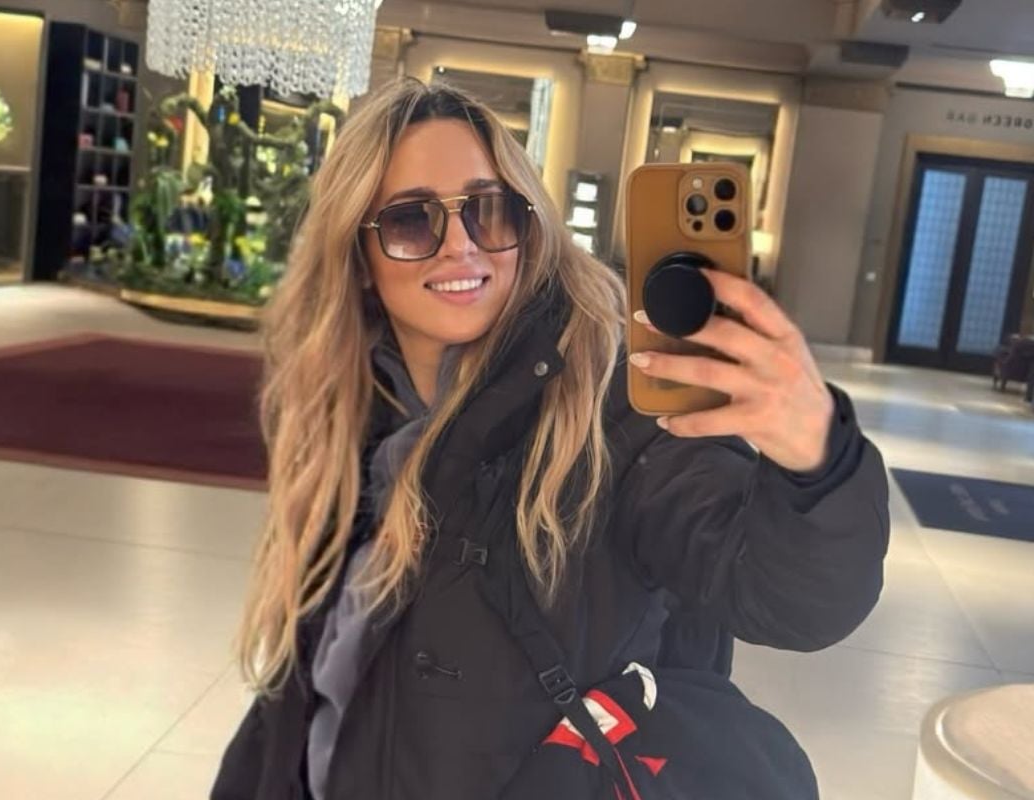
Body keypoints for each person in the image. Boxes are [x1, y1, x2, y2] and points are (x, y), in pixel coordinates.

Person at [211, 77, 890, 800]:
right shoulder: (346, 410)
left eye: (488, 209)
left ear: (528, 223)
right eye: (411, 221)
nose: (460, 246)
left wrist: (817, 461)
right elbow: (309, 682)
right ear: (359, 256)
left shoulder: (613, 410)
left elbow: (789, 595)